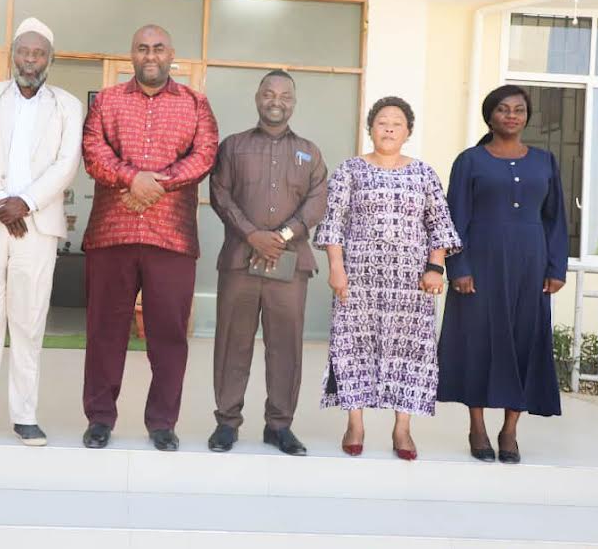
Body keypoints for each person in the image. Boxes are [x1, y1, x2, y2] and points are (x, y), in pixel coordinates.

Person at [0, 18, 83, 445]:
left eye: (39, 53)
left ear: (50, 60)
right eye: (24, 51)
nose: (30, 60)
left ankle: (25, 415)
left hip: (36, 227)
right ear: (12, 56)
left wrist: (27, 202)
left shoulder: (67, 105)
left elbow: (67, 163)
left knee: (29, 320)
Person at [81, 24, 219, 451]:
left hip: (171, 236)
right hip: (113, 233)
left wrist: (155, 184)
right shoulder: (107, 101)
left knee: (169, 336)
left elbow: (205, 154)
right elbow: (93, 151)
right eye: (142, 48)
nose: (151, 55)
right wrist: (131, 178)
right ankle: (99, 418)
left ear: (171, 54)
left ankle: (162, 422)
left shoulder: (195, 103)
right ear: (132, 55)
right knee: (104, 332)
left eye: (158, 48)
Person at [314, 96, 461, 460]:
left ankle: (402, 428)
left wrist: (435, 267)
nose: (390, 129)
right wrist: (336, 267)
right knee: (353, 347)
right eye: (382, 122)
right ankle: (355, 423)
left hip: (410, 282)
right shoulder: (349, 170)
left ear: (408, 131)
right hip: (358, 278)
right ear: (371, 129)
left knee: (408, 351)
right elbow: (334, 221)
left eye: (397, 123)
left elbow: (439, 224)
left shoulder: (424, 173)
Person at [437, 84, 567, 464]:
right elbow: (454, 218)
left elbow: (556, 219)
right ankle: (477, 425)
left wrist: (556, 266)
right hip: (480, 265)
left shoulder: (544, 161)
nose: (511, 115)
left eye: (518, 110)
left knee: (525, 339)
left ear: (527, 117)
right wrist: (458, 267)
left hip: (531, 265)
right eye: (503, 109)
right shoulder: (470, 161)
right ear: (490, 116)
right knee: (478, 340)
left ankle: (510, 429)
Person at [207, 70, 327, 456]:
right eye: (269, 94)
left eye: (285, 95)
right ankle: (227, 422)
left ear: (294, 102)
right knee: (232, 343)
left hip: (289, 265)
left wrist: (282, 237)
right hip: (240, 262)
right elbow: (220, 194)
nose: (277, 101)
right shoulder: (233, 147)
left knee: (286, 347)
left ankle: (279, 426)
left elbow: (317, 202)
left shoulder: (310, 152)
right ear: (257, 98)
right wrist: (252, 235)